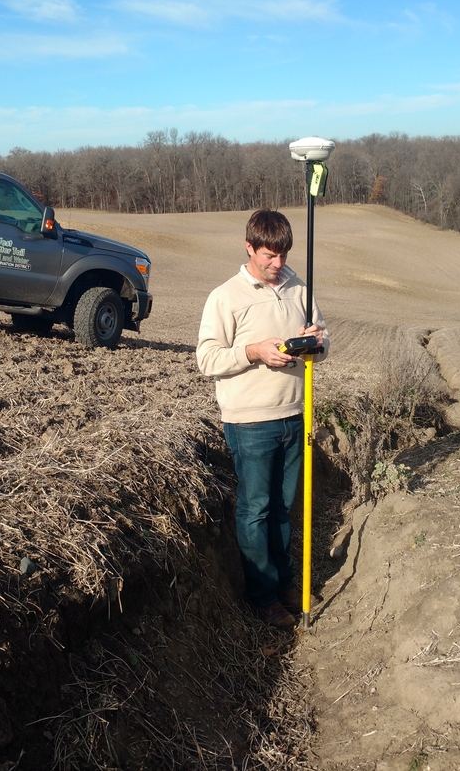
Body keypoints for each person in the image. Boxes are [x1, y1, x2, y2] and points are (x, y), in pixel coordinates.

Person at [196, 209, 328, 629]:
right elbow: (206, 359)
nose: (278, 264)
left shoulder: (298, 288)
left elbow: (323, 343)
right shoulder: (226, 296)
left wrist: (316, 344)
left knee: (283, 508)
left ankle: (285, 582)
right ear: (249, 247)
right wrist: (254, 351)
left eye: (283, 255)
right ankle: (263, 595)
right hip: (250, 422)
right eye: (270, 255)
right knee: (255, 508)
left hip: (295, 414)